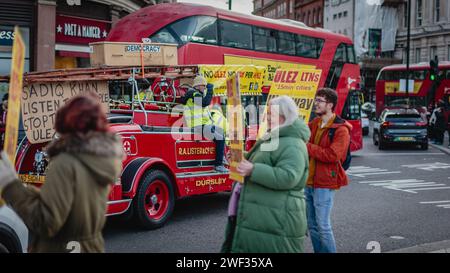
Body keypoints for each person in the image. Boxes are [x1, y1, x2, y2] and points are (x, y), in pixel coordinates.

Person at [0, 93, 124, 253]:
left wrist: (11, 186)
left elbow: (47, 222)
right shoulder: (100, 159)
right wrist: (27, 191)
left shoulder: (65, 163)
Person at [221, 95, 310, 253]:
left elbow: (288, 176)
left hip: (277, 217)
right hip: (268, 214)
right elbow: (264, 159)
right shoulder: (276, 136)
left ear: (284, 116)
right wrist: (242, 157)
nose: (266, 117)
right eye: (267, 113)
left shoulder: (292, 143)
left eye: (271, 114)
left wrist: (252, 169)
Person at [306, 88, 352, 253]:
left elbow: (333, 155)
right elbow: (301, 134)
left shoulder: (341, 130)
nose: (315, 104)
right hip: (308, 181)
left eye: (319, 101)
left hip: (325, 183)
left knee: (323, 225)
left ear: (330, 105)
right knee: (312, 225)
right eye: (316, 100)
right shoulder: (315, 124)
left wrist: (308, 147)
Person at [181, 75, 227, 172]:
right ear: (198, 85)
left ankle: (222, 157)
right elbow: (205, 102)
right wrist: (210, 89)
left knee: (221, 131)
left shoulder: (194, 94)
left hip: (200, 125)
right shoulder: (194, 94)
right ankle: (218, 164)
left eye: (206, 86)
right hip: (196, 126)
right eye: (204, 86)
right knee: (220, 137)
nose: (205, 88)